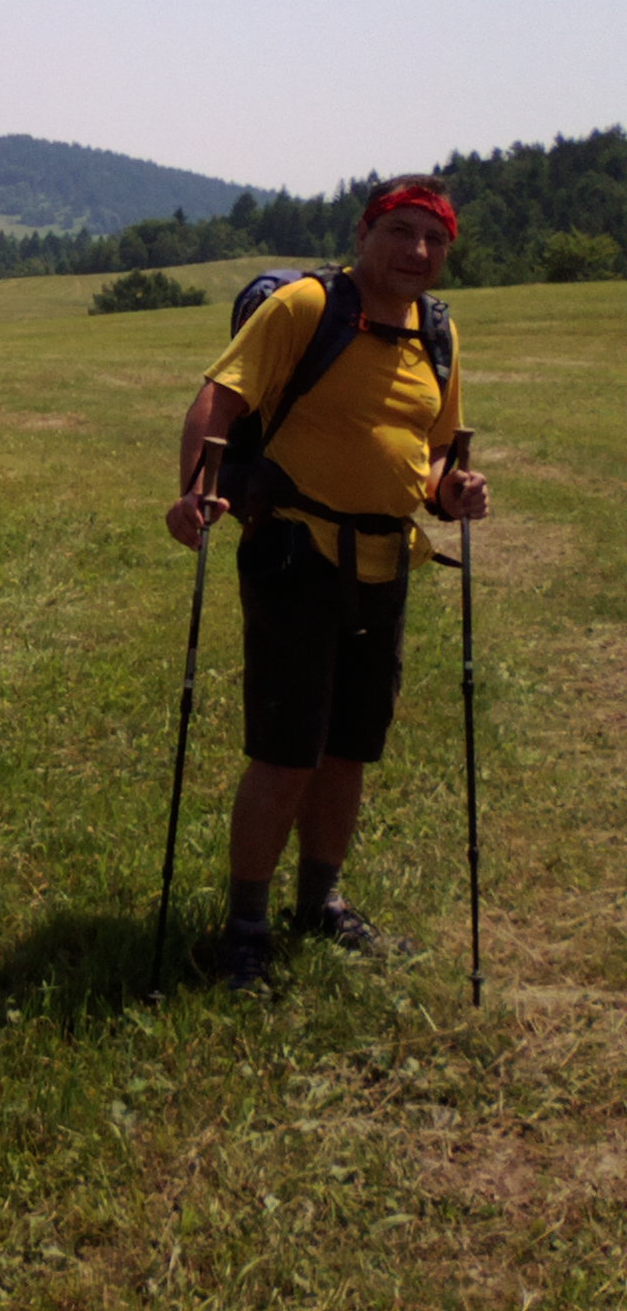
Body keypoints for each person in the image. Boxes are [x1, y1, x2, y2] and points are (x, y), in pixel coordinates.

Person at [165, 180, 489, 989]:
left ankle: (321, 904)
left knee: (348, 749)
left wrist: (449, 490)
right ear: (365, 233)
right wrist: (195, 492)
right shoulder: (307, 307)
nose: (418, 252)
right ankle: (246, 927)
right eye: (401, 232)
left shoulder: (438, 333)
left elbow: (432, 450)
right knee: (286, 753)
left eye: (434, 241)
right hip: (295, 552)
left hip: (385, 562)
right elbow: (218, 399)